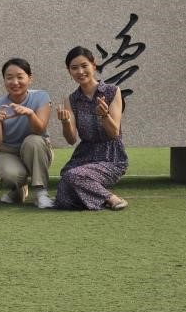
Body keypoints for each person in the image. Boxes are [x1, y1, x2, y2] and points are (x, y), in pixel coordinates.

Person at [54, 47, 129, 211]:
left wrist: (104, 116)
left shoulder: (112, 91)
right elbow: (71, 139)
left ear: (94, 66)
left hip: (110, 157)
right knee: (63, 199)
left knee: (73, 175)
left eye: (84, 66)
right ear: (69, 71)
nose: (80, 71)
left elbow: (114, 133)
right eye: (74, 68)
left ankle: (111, 198)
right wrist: (65, 122)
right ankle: (93, 195)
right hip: (84, 156)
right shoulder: (71, 99)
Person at [0, 57, 54, 208]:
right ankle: (18, 190)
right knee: (11, 175)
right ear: (4, 81)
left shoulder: (41, 97)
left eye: (20, 77)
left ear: (30, 78)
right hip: (8, 152)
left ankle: (41, 193)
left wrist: (30, 114)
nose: (15, 82)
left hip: (37, 149)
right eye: (9, 78)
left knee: (33, 140)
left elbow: (40, 129)